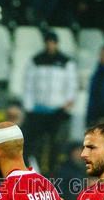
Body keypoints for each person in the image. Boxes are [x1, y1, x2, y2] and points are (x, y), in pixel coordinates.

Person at [22, 32, 77, 175]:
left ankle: (53, 172)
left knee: (55, 145)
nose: (50, 45)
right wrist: (29, 107)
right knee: (35, 144)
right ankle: (35, 170)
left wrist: (67, 104)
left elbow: (71, 85)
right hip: (38, 110)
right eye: (48, 42)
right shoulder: (36, 61)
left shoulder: (66, 62)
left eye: (53, 42)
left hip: (57, 111)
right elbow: (28, 85)